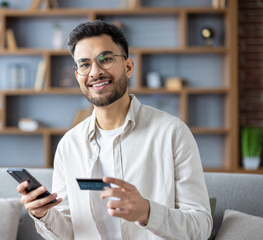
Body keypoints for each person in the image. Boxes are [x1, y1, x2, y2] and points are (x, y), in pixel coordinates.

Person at [17, 20, 213, 240]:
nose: (95, 72)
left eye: (106, 59)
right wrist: (43, 214)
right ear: (78, 76)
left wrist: (148, 213)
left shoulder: (172, 133)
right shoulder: (69, 145)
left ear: (128, 67)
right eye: (84, 64)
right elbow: (69, 233)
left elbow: (201, 227)